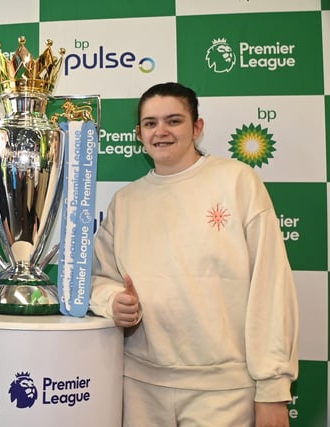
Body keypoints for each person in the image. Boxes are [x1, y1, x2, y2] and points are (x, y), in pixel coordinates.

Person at [90, 82, 298, 427]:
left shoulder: (238, 182)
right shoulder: (126, 201)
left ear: (197, 127)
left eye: (174, 121)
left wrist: (273, 389)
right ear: (138, 133)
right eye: (150, 123)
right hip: (139, 387)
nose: (161, 132)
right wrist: (112, 301)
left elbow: (271, 287)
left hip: (225, 392)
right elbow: (101, 279)